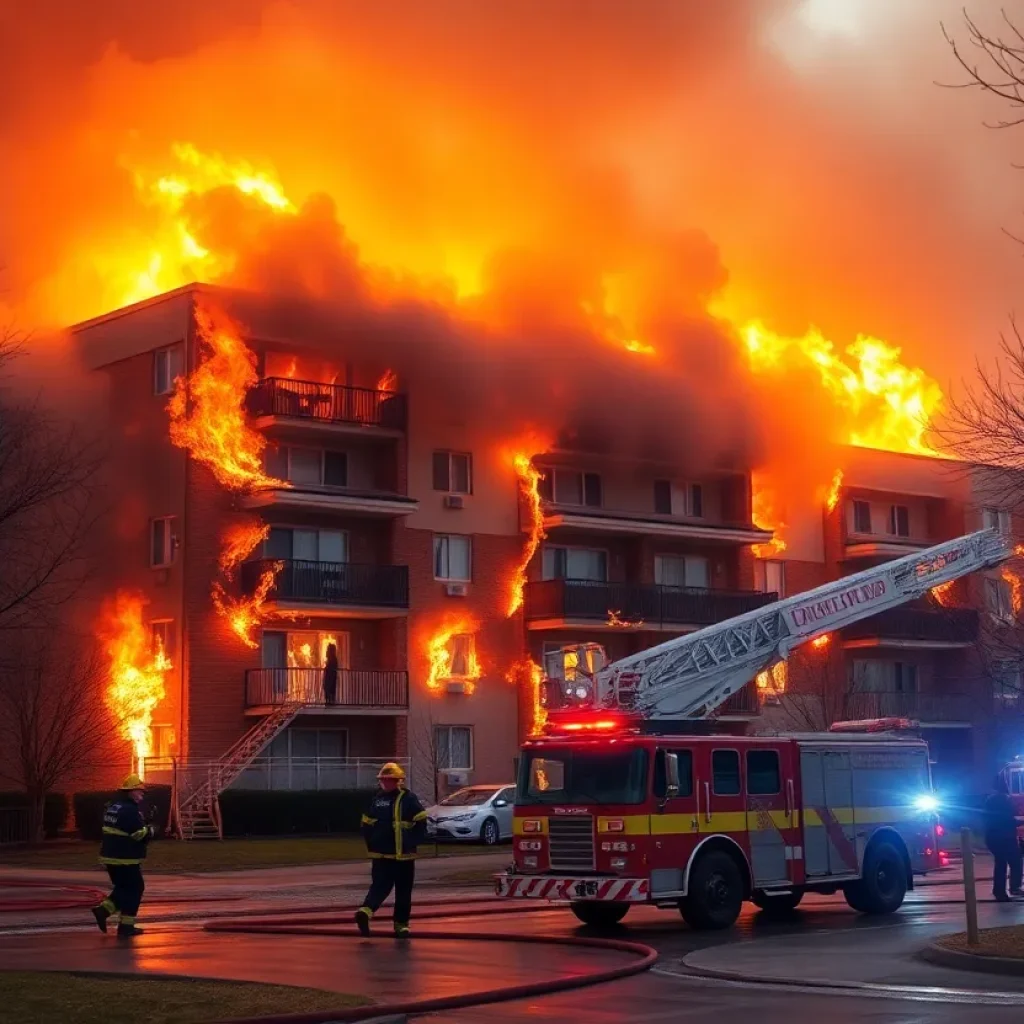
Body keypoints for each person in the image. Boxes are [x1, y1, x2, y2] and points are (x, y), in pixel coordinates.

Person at [355, 762, 428, 937]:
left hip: (389, 854)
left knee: (380, 887)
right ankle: (399, 925)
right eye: (384, 781)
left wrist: (373, 844)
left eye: (389, 780)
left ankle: (367, 911)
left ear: (397, 781)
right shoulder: (407, 799)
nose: (386, 783)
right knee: (402, 890)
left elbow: (420, 821)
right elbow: (366, 825)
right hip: (400, 856)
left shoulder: (377, 800)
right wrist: (412, 841)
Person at [92, 774, 155, 937]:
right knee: (135, 888)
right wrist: (151, 829)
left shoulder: (113, 807)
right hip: (125, 857)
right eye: (139, 791)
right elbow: (138, 834)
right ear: (130, 791)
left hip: (111, 856)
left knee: (124, 888)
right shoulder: (130, 810)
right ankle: (122, 924)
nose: (142, 794)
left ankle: (108, 915)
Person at [984, 774, 1023, 902]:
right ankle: (1012, 888)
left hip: (993, 836)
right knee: (1015, 861)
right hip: (1005, 837)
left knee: (1001, 863)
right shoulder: (1005, 799)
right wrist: (1019, 822)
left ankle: (1000, 891)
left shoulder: (990, 799)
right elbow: (1008, 819)